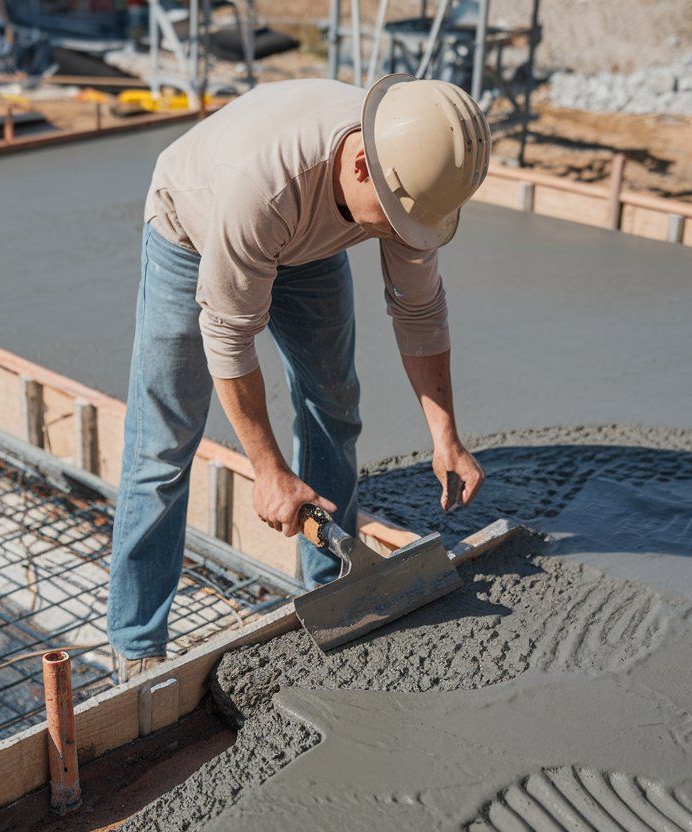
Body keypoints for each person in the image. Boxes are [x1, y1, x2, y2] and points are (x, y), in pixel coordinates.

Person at [107, 74, 491, 680]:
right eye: (391, 221)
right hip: (193, 231)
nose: (396, 235)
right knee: (164, 444)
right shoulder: (260, 188)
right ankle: (135, 643)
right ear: (362, 165)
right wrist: (268, 472)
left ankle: (335, 585)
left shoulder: (411, 176)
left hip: (307, 240)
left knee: (334, 404)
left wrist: (446, 434)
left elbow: (418, 309)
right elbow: (230, 336)